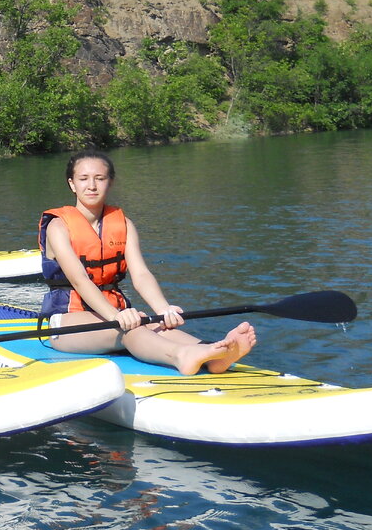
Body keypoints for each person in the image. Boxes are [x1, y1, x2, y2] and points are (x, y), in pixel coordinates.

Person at [39, 150, 256, 376]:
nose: (91, 185)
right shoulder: (58, 227)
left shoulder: (124, 224)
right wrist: (116, 316)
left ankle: (212, 354)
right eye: (83, 179)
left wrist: (163, 309)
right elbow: (80, 280)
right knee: (130, 328)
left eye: (100, 178)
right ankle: (181, 356)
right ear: (72, 184)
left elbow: (141, 275)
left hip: (115, 313)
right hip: (66, 322)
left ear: (110, 182)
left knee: (157, 326)